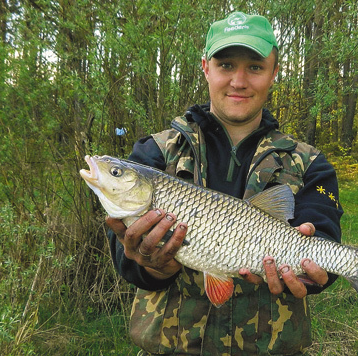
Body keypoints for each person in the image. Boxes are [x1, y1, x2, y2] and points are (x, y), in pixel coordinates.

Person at [106, 11, 343, 356]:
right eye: (227, 65)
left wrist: (319, 272)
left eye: (255, 67)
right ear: (206, 68)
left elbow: (324, 242)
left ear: (274, 73)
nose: (239, 81)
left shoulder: (310, 163)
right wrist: (155, 265)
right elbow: (128, 264)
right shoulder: (154, 152)